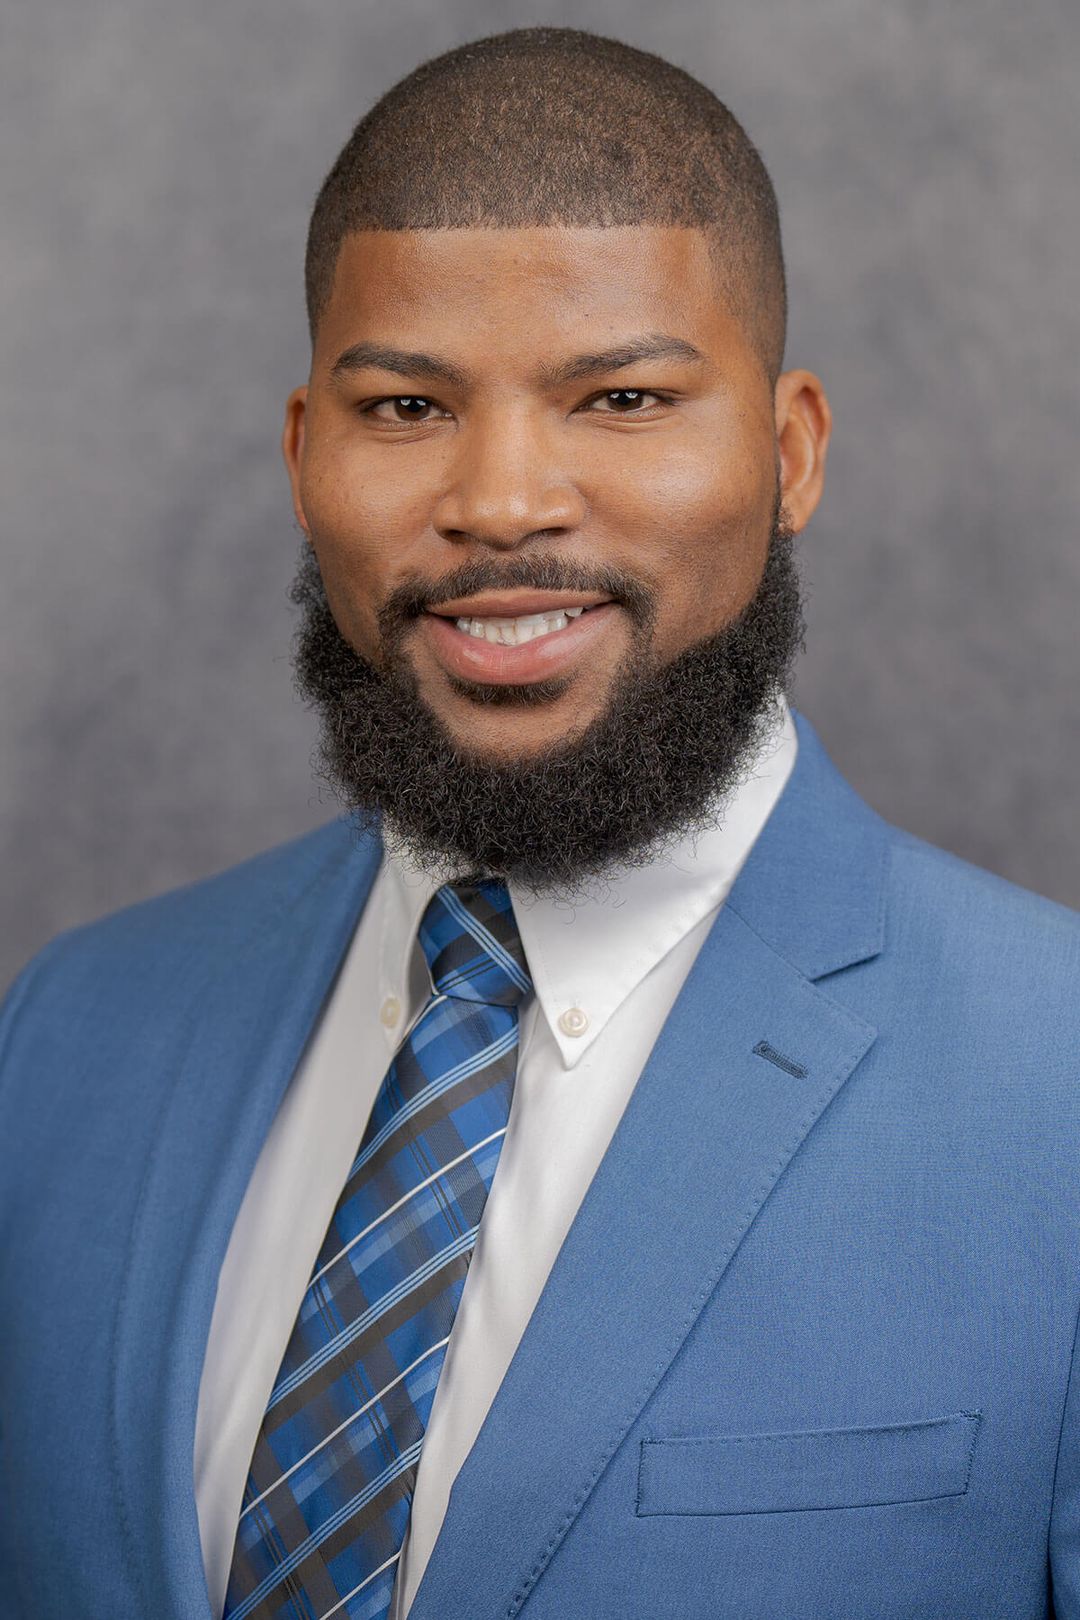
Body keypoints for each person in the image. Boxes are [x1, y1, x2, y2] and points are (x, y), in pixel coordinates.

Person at [2, 23, 1079, 1620]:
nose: (502, 500)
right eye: (408, 408)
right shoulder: (64, 1035)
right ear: (306, 460)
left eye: (623, 395)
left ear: (788, 455)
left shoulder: (1058, 1080)